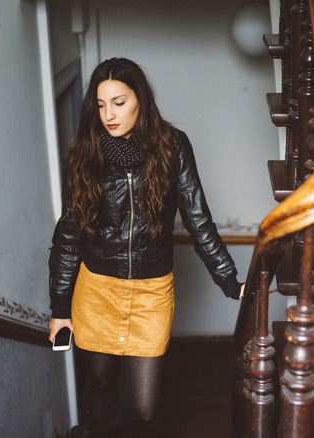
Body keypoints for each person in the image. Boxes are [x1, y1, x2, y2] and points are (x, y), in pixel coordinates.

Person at [47, 57, 244, 438]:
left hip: (153, 292)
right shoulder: (85, 153)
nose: (109, 115)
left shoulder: (172, 146)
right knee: (100, 386)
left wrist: (229, 280)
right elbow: (69, 235)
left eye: (119, 102)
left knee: (143, 408)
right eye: (101, 105)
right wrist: (59, 308)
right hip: (97, 288)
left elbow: (197, 218)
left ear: (141, 99)